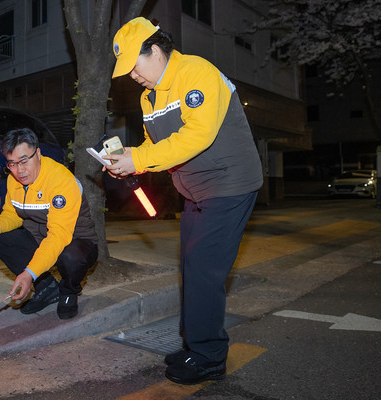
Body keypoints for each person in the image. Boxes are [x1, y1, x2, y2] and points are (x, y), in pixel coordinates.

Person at [105, 17, 263, 385]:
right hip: (194, 190)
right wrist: (128, 158)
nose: (132, 76)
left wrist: (139, 160)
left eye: (134, 65)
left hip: (229, 183)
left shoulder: (196, 72)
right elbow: (155, 148)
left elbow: (198, 135)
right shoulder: (149, 97)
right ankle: (194, 345)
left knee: (205, 273)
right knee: (191, 268)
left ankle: (209, 357)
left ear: (156, 51)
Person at [0, 128, 98, 320]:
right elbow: (12, 213)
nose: (20, 170)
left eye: (24, 161)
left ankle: (68, 290)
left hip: (74, 240)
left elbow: (58, 236)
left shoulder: (61, 181)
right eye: (12, 164)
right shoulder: (13, 180)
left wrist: (28, 274)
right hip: (40, 238)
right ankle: (48, 288)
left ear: (38, 153)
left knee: (71, 258)